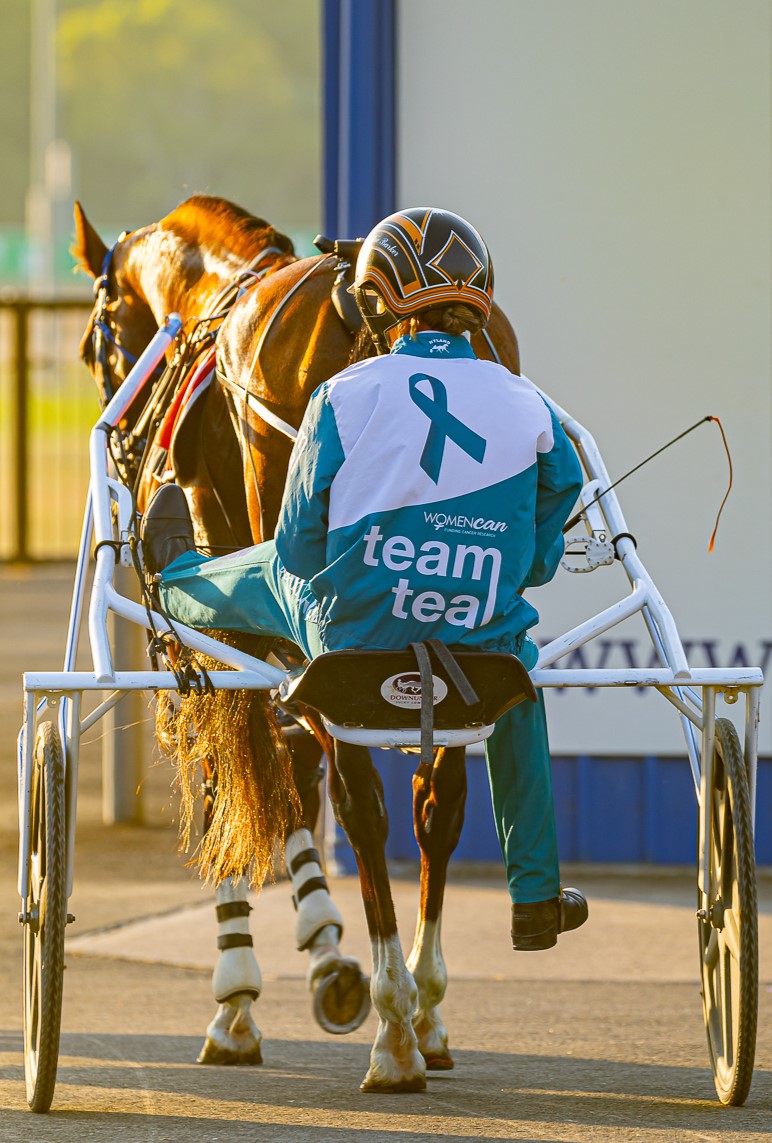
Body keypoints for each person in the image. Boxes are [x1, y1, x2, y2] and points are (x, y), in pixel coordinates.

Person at [142, 207, 588, 951]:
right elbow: (553, 515)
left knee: (239, 576)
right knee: (519, 679)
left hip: (347, 647)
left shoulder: (340, 398)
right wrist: (497, 568)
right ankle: (535, 896)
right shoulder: (529, 403)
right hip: (479, 654)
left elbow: (296, 549)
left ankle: (173, 579)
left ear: (380, 302)